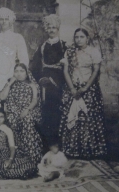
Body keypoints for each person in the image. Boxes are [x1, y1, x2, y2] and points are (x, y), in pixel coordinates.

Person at [59, 28, 107, 159]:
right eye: (76, 37)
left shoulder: (93, 51)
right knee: (72, 116)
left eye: (81, 37)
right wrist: (72, 89)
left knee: (87, 118)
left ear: (87, 38)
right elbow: (65, 71)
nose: (79, 40)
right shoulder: (69, 52)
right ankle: (72, 150)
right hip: (72, 89)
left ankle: (89, 150)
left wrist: (85, 88)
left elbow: (96, 70)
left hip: (89, 89)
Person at [29, 14, 67, 150]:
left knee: (58, 114)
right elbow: (34, 66)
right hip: (44, 85)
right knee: (45, 114)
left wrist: (57, 81)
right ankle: (46, 146)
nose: (51, 30)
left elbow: (68, 68)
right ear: (46, 29)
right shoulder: (43, 46)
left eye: (54, 27)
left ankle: (59, 146)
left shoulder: (64, 46)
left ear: (58, 28)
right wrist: (40, 79)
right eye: (49, 27)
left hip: (59, 84)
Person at [0, 63, 43, 173]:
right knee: (13, 120)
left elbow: (34, 100)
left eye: (21, 71)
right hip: (13, 111)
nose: (19, 74)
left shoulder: (32, 84)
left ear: (27, 73)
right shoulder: (11, 83)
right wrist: (10, 83)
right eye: (16, 71)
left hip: (29, 110)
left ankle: (32, 156)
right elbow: (2, 97)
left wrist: (27, 110)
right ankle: (17, 157)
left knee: (27, 120)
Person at [0, 7, 29, 115]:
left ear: (11, 20)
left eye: (6, 19)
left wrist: (16, 77)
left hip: (12, 77)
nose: (4, 22)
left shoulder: (18, 37)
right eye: (1, 19)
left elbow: (24, 60)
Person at [0, 107, 38, 179]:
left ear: (5, 118)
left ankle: (9, 173)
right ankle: (18, 173)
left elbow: (12, 147)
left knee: (27, 163)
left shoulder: (7, 129)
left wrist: (10, 159)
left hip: (6, 154)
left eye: (1, 117)